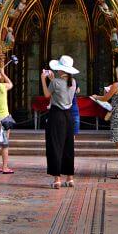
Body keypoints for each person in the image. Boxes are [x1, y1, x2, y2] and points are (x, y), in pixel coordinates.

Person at [43, 55, 79, 188]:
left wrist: (43, 79)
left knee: (55, 146)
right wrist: (53, 80)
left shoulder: (55, 82)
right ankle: (70, 178)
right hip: (68, 116)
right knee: (68, 146)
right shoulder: (73, 82)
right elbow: (62, 91)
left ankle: (57, 179)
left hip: (56, 115)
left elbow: (47, 94)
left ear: (60, 69)